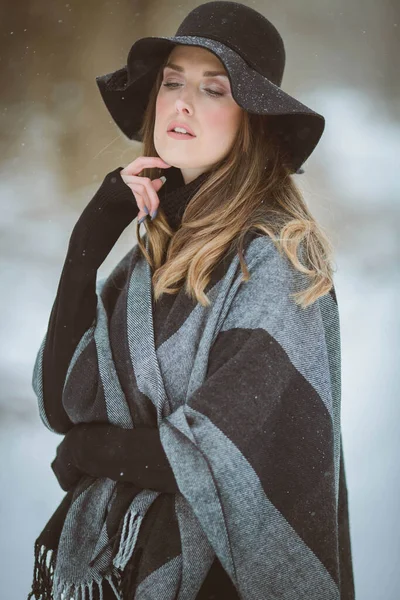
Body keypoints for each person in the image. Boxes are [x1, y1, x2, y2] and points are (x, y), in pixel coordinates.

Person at [27, 2, 355, 599]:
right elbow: (60, 401)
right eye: (173, 81)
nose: (181, 102)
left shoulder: (279, 262)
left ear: (252, 120)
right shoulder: (151, 258)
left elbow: (221, 459)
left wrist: (93, 450)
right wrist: (85, 248)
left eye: (213, 89)